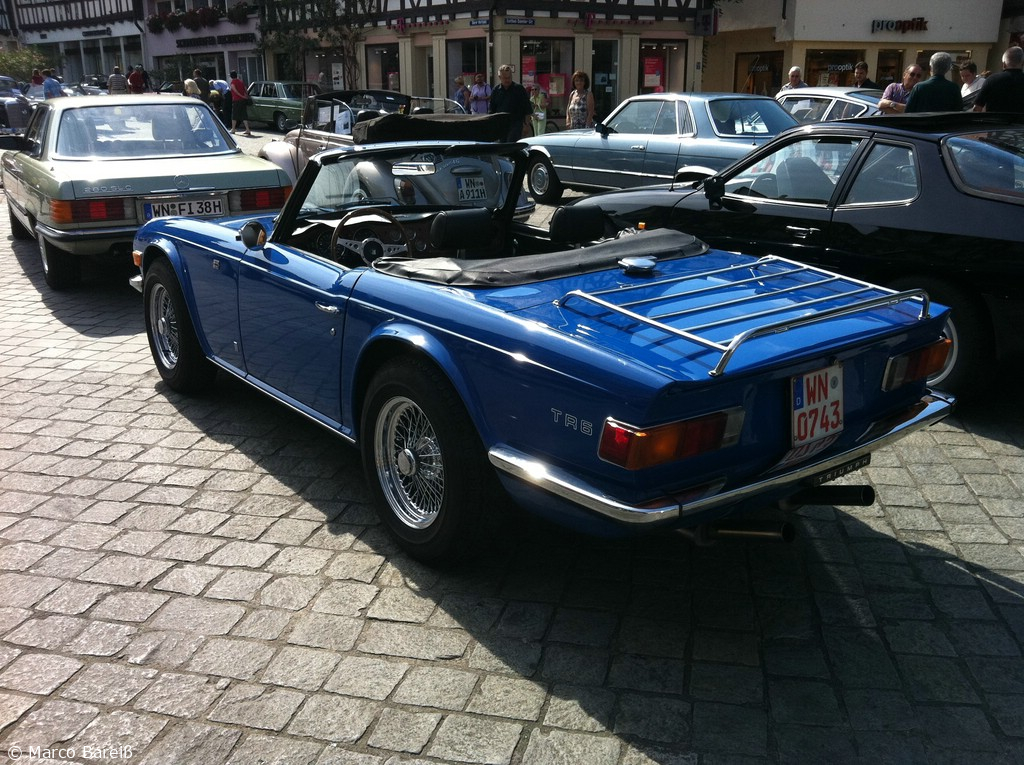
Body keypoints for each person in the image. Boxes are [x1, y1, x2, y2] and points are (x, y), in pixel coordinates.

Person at [973, 46, 1024, 113]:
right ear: (1022, 63)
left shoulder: (992, 80)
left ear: (1004, 64)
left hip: (995, 119)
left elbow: (977, 108)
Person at [489, 64, 532, 142]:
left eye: (509, 77)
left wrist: (526, 125)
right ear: (500, 77)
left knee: (511, 143)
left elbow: (527, 108)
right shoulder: (496, 90)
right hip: (501, 125)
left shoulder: (519, 89)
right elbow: (492, 110)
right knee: (502, 146)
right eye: (505, 78)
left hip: (515, 124)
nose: (507, 80)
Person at [229, 70, 252, 136]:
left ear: (231, 76)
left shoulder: (233, 82)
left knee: (234, 115)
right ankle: (247, 129)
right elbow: (245, 89)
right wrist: (246, 96)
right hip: (243, 101)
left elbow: (235, 91)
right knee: (244, 115)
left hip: (236, 100)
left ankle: (233, 129)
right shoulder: (240, 81)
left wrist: (242, 96)